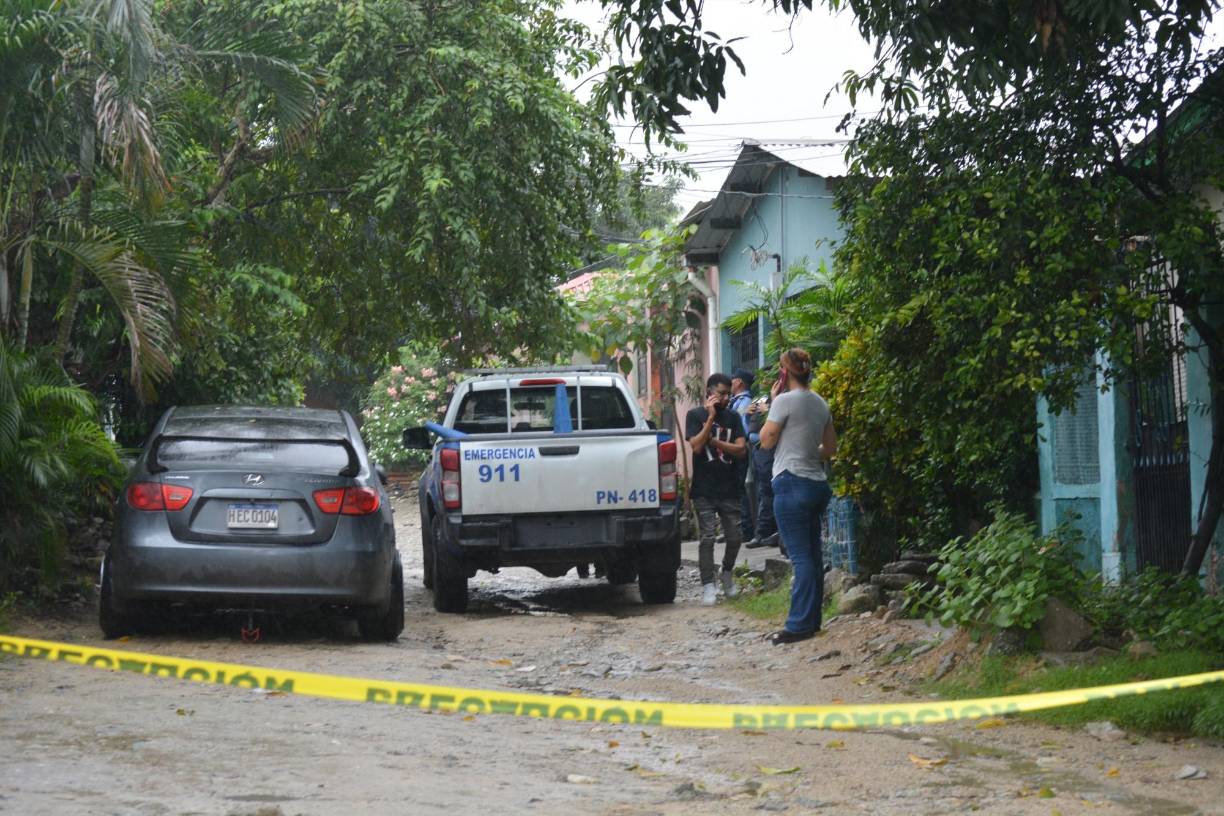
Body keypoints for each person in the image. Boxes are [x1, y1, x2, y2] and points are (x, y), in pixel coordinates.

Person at [758, 348, 837, 644]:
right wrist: (805, 450)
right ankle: (813, 620)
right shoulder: (820, 403)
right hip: (817, 484)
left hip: (791, 482)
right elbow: (829, 450)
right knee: (813, 555)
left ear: (785, 371)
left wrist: (773, 404)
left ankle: (799, 625)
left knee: (801, 557)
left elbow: (766, 441)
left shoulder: (784, 401)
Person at [685, 372, 748, 606]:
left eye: (728, 394)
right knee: (708, 538)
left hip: (729, 487)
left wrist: (718, 443)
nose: (725, 399)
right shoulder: (695, 415)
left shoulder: (733, 418)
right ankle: (708, 585)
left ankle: (727, 573)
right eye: (721, 394)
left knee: (735, 537)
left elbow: (741, 450)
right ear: (709, 393)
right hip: (704, 489)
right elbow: (697, 446)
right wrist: (710, 419)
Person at [743, 391, 780, 551]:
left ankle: (764, 533)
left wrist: (769, 410)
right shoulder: (759, 398)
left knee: (767, 492)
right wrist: (746, 414)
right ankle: (765, 532)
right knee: (762, 492)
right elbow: (749, 429)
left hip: (769, 450)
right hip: (757, 451)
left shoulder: (779, 401)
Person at [729, 368, 757, 544]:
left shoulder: (745, 402)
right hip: (732, 449)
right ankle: (735, 528)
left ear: (739, 382)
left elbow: (743, 429)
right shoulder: (736, 402)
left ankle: (746, 529)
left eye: (733, 380)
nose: (731, 383)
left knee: (739, 490)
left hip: (739, 449)